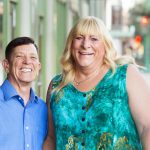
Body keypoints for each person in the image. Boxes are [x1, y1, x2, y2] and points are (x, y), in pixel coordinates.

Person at [43, 16, 150, 150]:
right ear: (71, 44)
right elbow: (51, 139)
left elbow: (147, 128)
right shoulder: (57, 86)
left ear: (105, 45)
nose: (85, 44)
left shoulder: (125, 76)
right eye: (79, 37)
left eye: (94, 39)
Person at [0, 37, 48, 150]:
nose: (27, 61)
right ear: (6, 65)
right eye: (19, 56)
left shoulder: (44, 109)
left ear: (38, 67)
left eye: (33, 57)